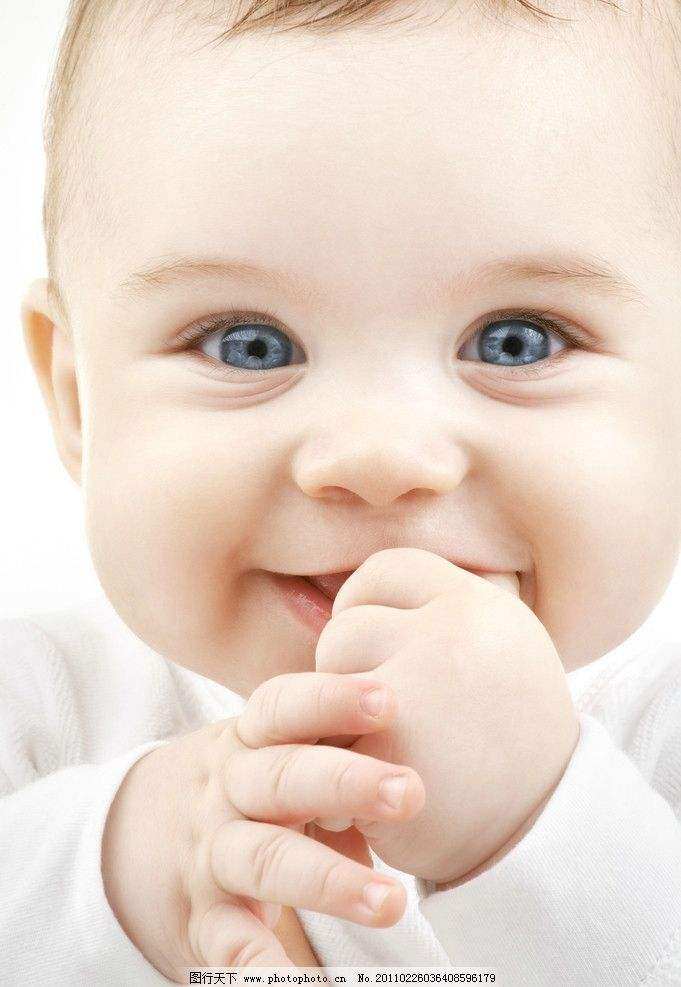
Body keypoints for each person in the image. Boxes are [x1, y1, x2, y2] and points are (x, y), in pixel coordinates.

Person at [6, 0, 681, 981]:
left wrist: (537, 828)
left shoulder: (661, 743)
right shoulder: (36, 716)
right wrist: (121, 871)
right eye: (249, 345)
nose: (379, 455)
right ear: (77, 400)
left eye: (515, 341)